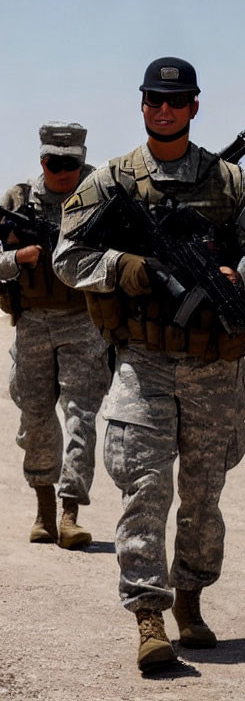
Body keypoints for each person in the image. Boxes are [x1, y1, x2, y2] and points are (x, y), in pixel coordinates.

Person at [54, 57, 245, 672]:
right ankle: (148, 615)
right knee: (145, 487)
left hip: (214, 368)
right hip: (145, 362)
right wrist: (126, 269)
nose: (165, 109)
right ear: (142, 105)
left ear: (194, 106)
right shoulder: (111, 181)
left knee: (204, 496)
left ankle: (191, 598)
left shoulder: (229, 183)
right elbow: (67, 257)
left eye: (176, 100)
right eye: (155, 99)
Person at [0, 122, 110, 550]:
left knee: (81, 416)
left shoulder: (102, 198)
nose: (61, 171)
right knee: (35, 415)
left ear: (82, 160)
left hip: (84, 320)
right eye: (52, 162)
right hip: (33, 322)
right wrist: (17, 259)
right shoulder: (17, 201)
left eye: (70, 163)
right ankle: (44, 508)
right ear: (41, 159)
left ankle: (69, 513)